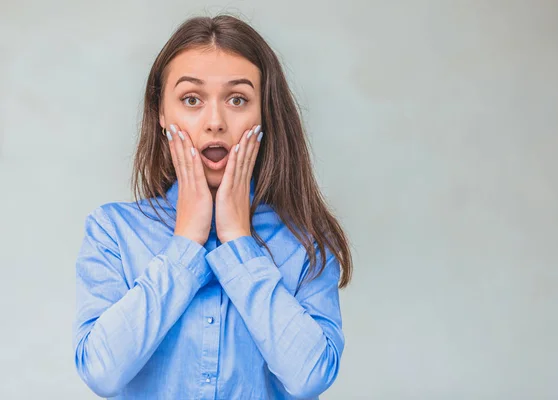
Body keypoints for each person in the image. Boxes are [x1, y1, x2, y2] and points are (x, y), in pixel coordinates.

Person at [72, 14, 353, 399]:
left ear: (265, 114)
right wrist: (186, 242)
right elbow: (102, 372)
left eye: (238, 99)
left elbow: (309, 377)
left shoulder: (305, 242)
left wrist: (239, 242)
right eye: (191, 99)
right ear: (161, 114)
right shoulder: (113, 231)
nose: (215, 122)